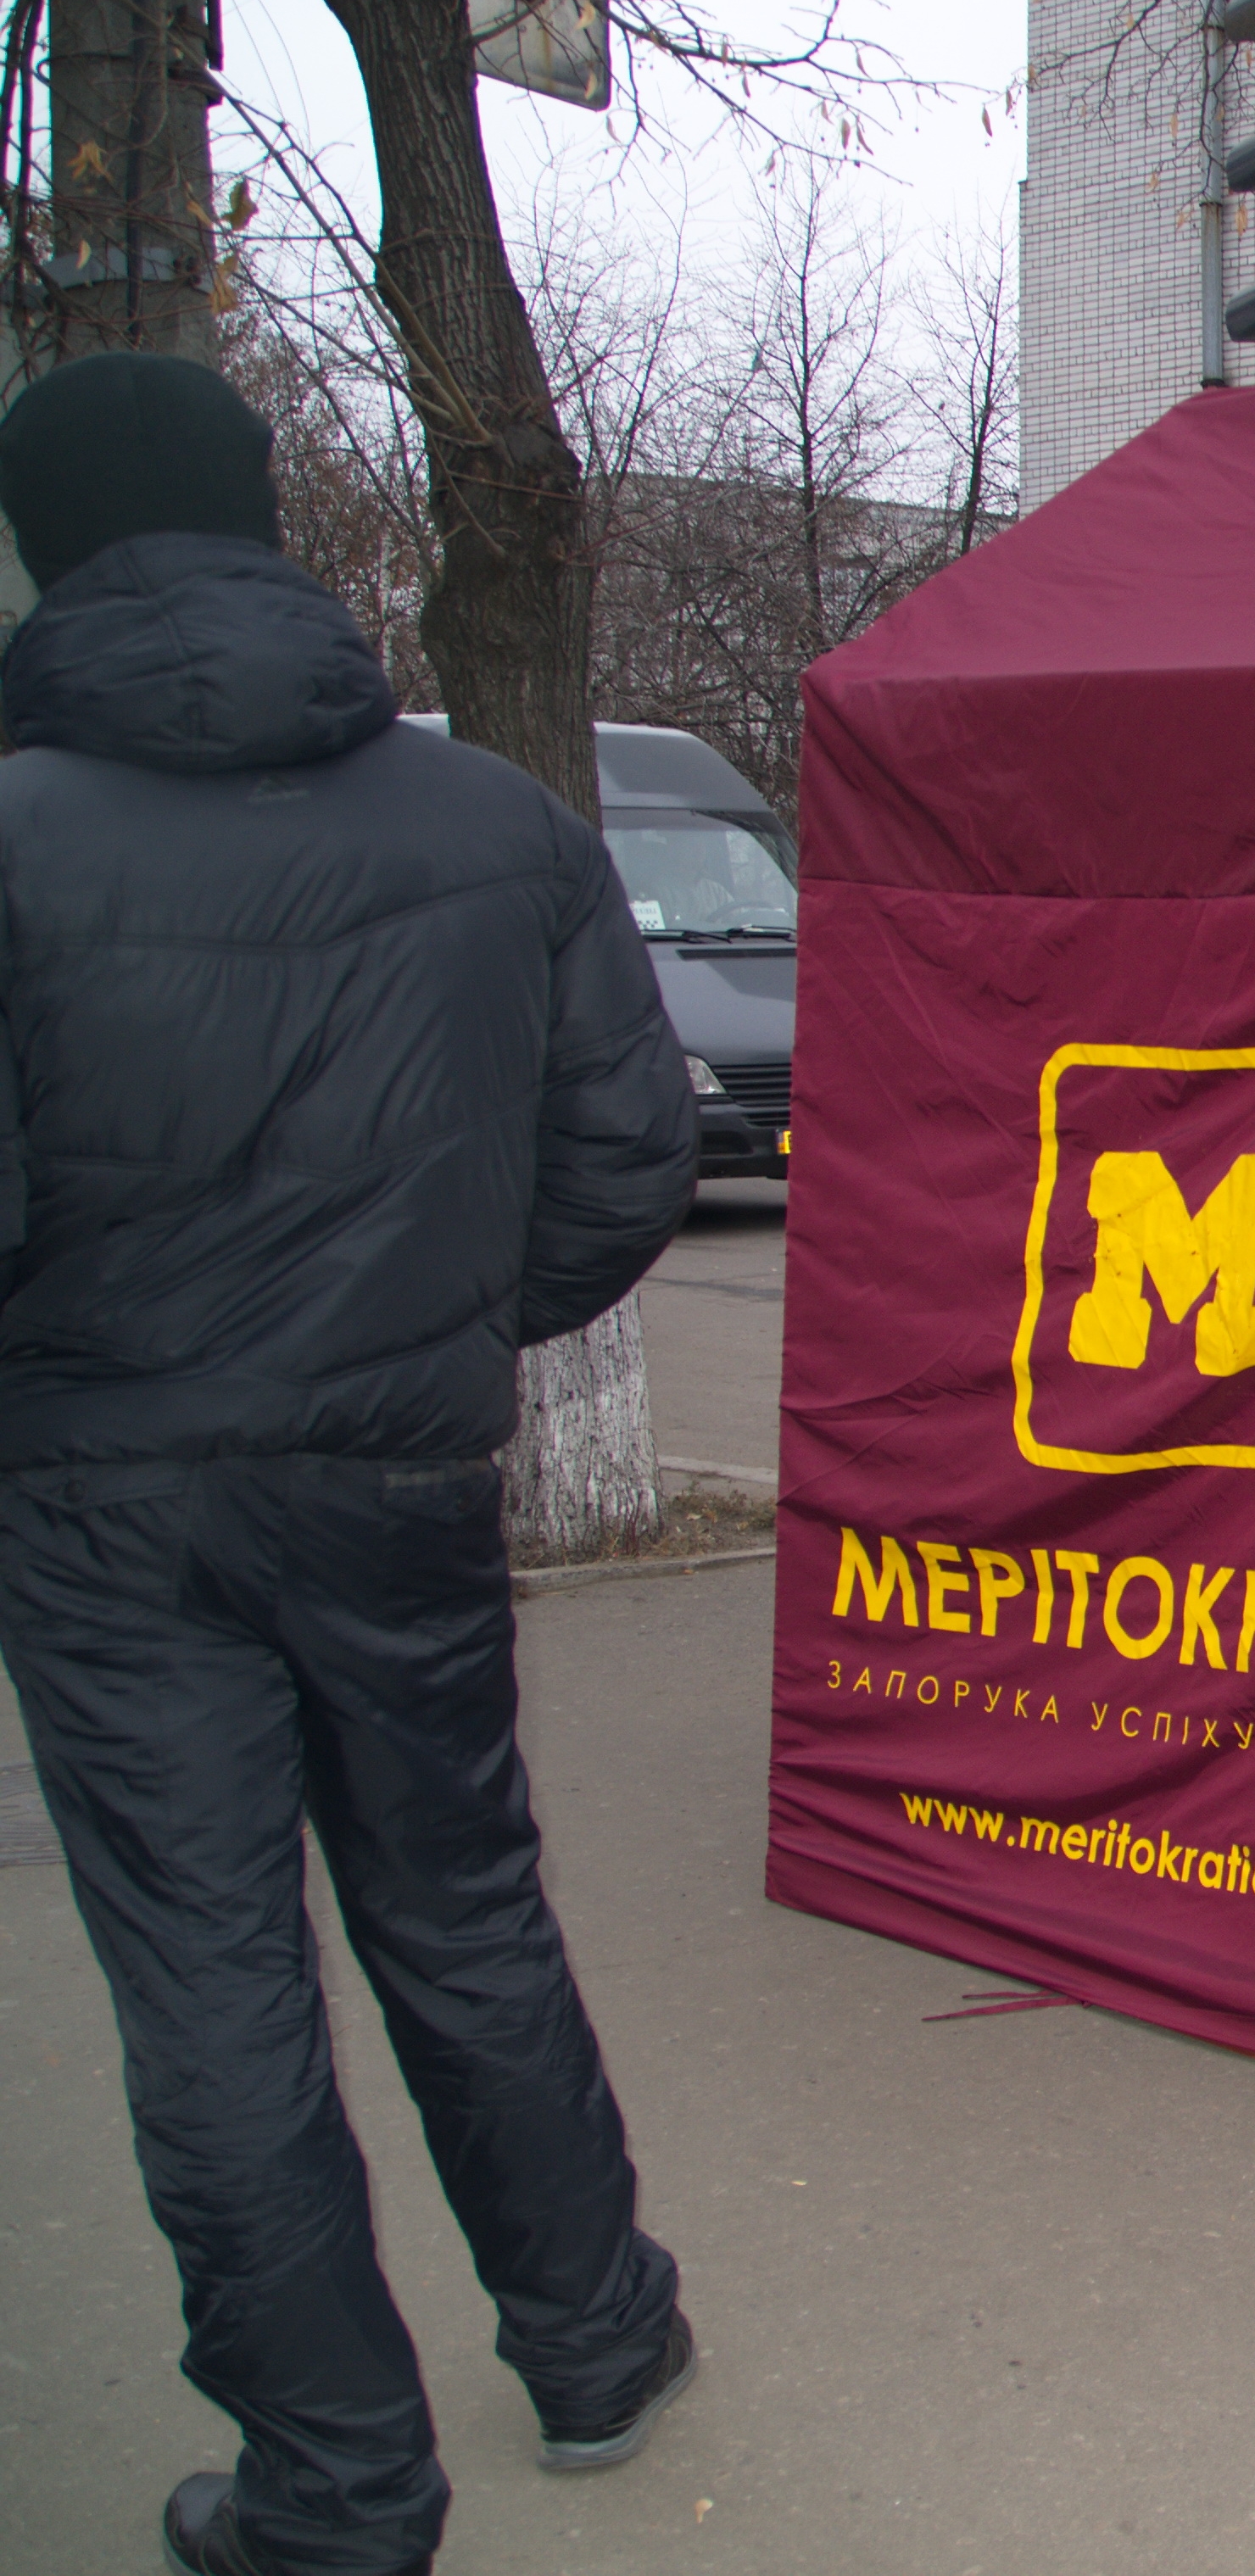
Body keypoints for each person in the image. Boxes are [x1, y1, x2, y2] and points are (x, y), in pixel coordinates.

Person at [0, 354, 702, 2575]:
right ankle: (594, 2339)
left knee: (210, 1974)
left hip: (105, 1492)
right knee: (466, 1904)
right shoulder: (492, 818)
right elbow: (627, 1159)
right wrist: (442, 1338)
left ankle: (333, 2478)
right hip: (397, 1475)